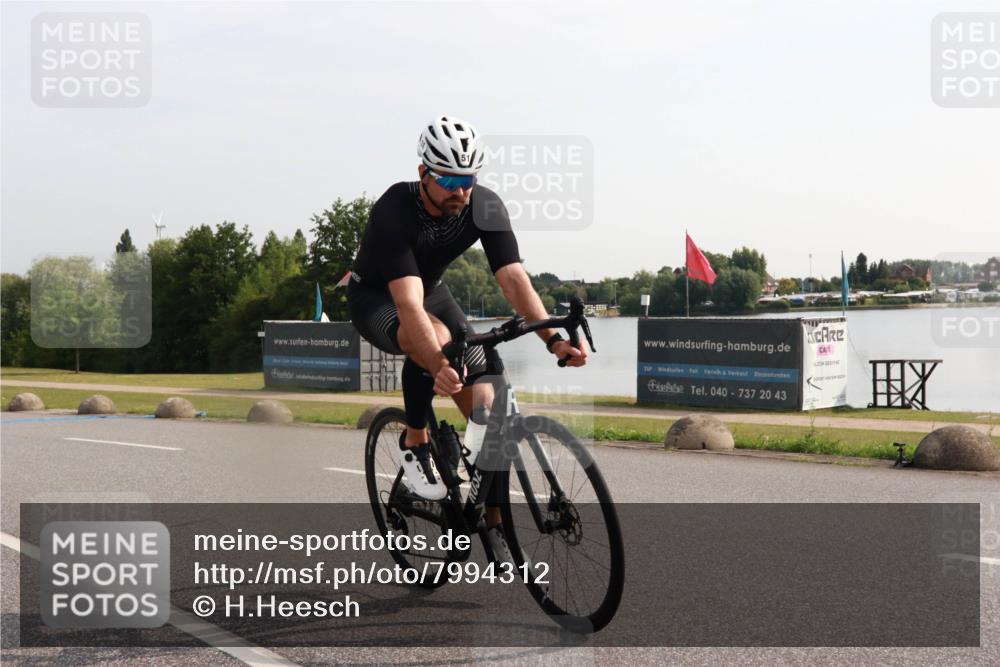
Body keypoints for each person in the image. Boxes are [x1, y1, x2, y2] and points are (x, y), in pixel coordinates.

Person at [347, 115, 587, 562]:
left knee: (490, 410)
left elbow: (513, 279)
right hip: (378, 298)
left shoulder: (483, 205)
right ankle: (415, 440)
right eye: (450, 179)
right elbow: (409, 306)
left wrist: (552, 340)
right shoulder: (395, 209)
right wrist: (439, 363)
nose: (461, 190)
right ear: (424, 173)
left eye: (469, 178)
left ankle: (491, 521)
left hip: (433, 292)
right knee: (433, 341)